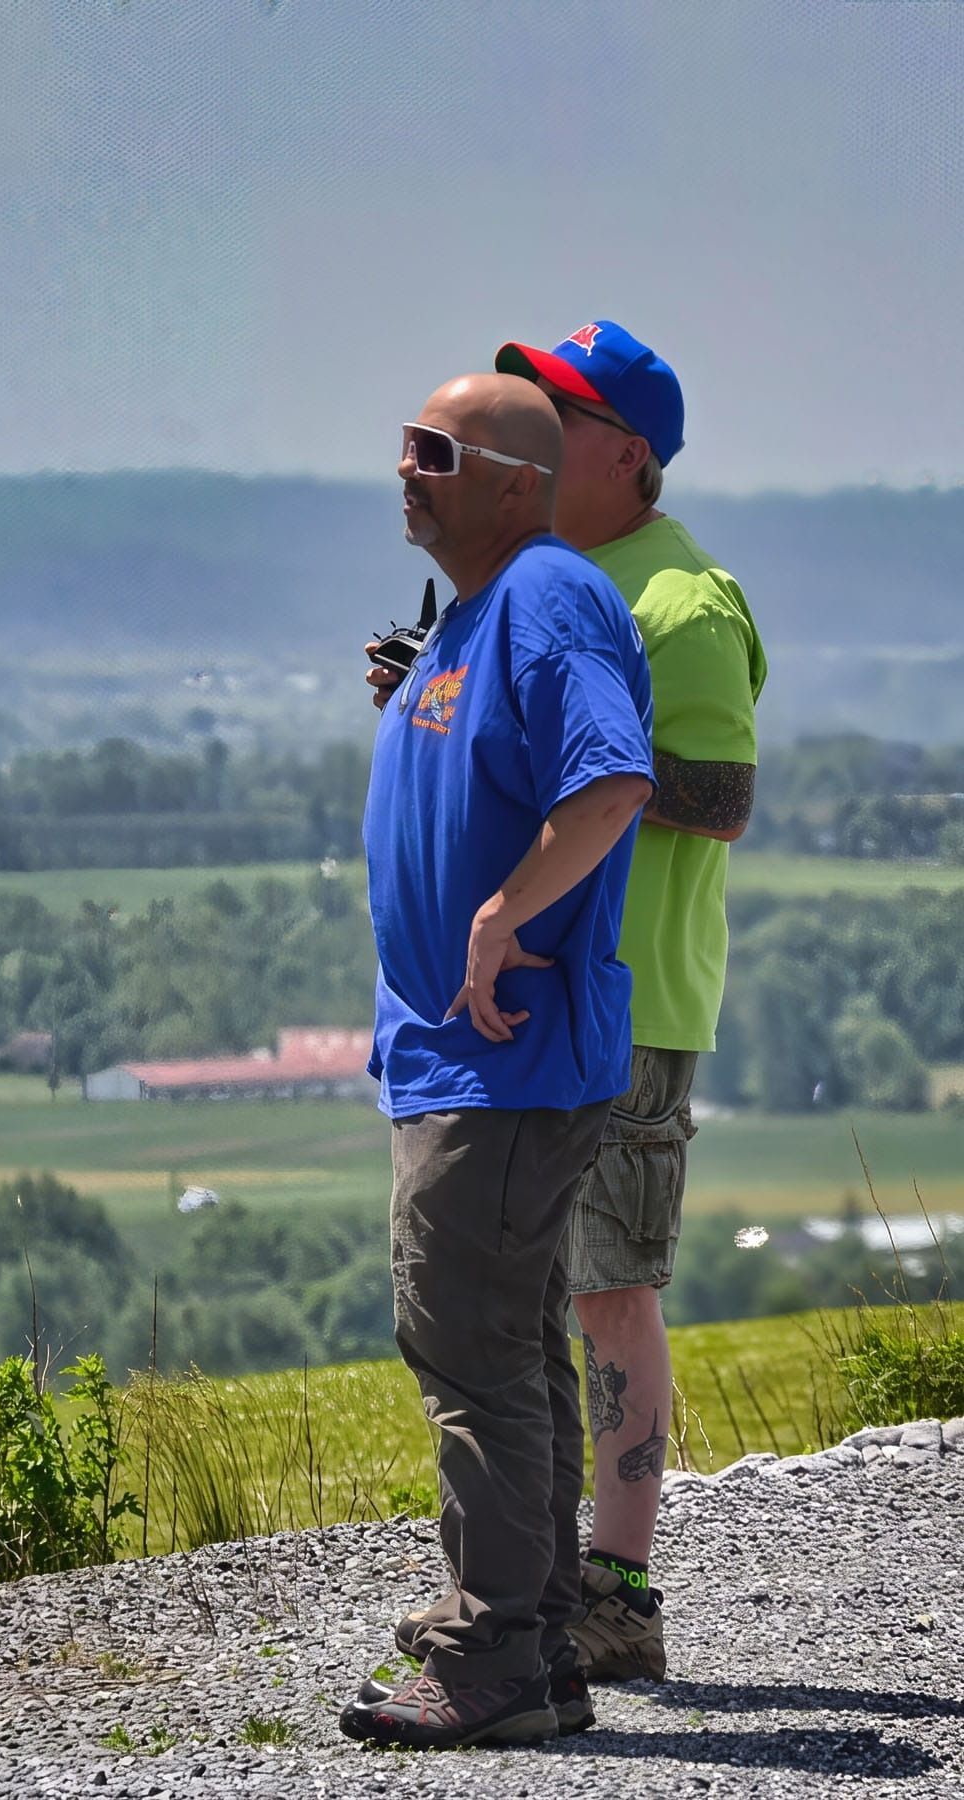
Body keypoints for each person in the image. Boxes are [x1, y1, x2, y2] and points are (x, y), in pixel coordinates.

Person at [373, 324, 768, 1682]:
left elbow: (714, 799)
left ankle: (613, 1591)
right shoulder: (556, 584)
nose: (538, 412)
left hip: (624, 994)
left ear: (623, 453)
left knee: (602, 1295)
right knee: (538, 1302)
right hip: (546, 995)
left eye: (562, 403)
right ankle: (552, 1604)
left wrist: (563, 745)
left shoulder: (676, 599)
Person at [339, 373, 654, 1751]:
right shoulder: (477, 615)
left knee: (469, 1342)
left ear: (517, 481)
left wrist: (501, 914)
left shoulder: (548, 592)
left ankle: (494, 1659)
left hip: (504, 1063)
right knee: (512, 1345)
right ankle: (530, 1629)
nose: (403, 470)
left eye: (434, 452)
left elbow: (613, 778)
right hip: (463, 1060)